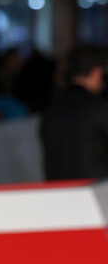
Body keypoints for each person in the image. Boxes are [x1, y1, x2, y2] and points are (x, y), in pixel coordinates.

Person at [40, 46, 108, 180]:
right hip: (97, 189)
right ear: (97, 72)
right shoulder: (100, 109)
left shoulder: (51, 110)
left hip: (60, 189)